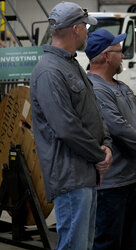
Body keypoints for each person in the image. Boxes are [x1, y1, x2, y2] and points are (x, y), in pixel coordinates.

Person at [29, 2, 112, 250]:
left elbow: (93, 112)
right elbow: (66, 127)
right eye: (86, 27)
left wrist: (106, 144)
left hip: (85, 173)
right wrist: (99, 155)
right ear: (76, 29)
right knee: (74, 245)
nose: (88, 32)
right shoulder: (48, 72)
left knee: (84, 245)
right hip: (70, 175)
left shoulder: (71, 64)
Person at [85, 29, 136, 250]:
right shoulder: (96, 89)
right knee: (108, 242)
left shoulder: (122, 87)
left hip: (131, 179)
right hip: (112, 184)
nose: (123, 56)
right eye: (120, 51)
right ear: (107, 56)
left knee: (130, 239)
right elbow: (117, 127)